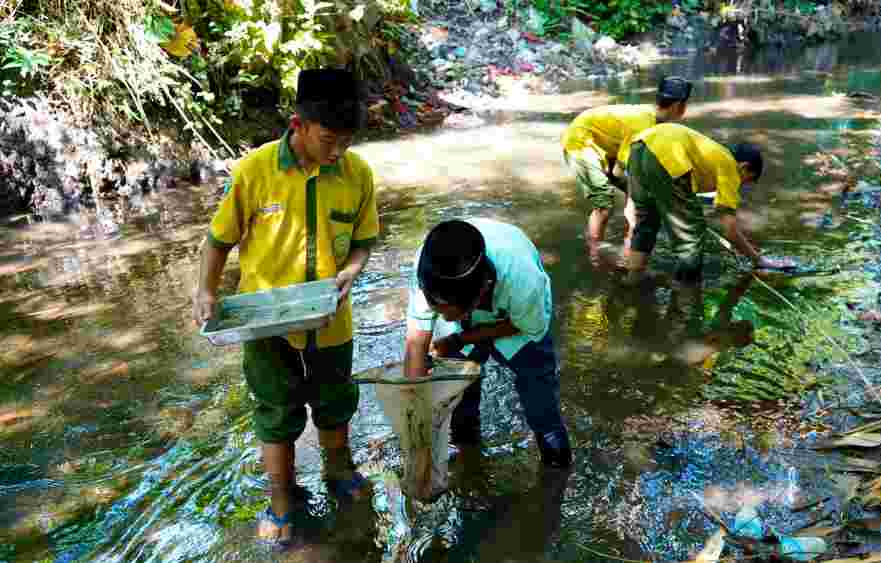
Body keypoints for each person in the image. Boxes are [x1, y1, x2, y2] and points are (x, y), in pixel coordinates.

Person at [191, 68, 379, 547]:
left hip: (331, 318)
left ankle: (339, 473)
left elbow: (363, 241)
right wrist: (206, 292)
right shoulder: (255, 171)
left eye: (347, 141)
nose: (338, 152)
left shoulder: (358, 174)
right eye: (329, 140)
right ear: (298, 125)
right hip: (265, 323)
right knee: (275, 409)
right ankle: (280, 498)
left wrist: (351, 270)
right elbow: (218, 241)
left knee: (335, 402)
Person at [402, 218, 572, 469]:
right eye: (438, 310)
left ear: (481, 295)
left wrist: (459, 339)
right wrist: (416, 423)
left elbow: (524, 325)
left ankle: (556, 461)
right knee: (459, 395)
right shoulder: (428, 270)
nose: (444, 318)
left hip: (519, 324)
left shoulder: (523, 280)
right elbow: (416, 345)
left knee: (540, 399)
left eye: (451, 313)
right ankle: (468, 457)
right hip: (464, 320)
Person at [612, 122, 783, 285]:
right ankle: (686, 291)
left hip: (638, 147)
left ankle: (633, 278)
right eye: (746, 180)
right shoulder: (730, 167)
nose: (741, 185)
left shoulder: (713, 155)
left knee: (647, 222)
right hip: (667, 152)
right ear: (744, 167)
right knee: (692, 233)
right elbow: (730, 230)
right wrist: (758, 260)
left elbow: (679, 195)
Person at [561, 76, 692, 251]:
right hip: (581, 143)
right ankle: (595, 253)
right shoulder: (644, 126)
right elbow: (619, 171)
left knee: (643, 198)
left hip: (605, 143)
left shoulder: (655, 121)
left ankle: (629, 247)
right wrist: (632, 203)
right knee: (604, 204)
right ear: (679, 106)